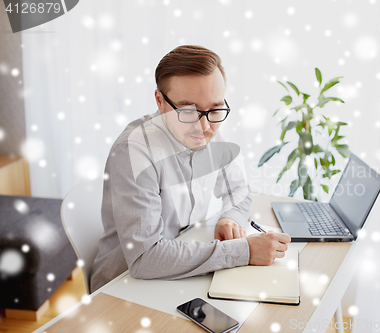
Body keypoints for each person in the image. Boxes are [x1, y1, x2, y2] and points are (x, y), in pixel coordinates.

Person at [90, 45, 291, 293]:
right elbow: (146, 259)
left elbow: (239, 190)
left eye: (215, 109)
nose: (204, 127)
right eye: (188, 111)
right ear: (160, 101)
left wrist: (230, 217)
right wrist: (244, 251)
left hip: (181, 271)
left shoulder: (204, 129)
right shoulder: (133, 151)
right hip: (122, 288)